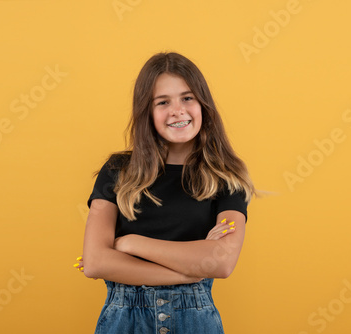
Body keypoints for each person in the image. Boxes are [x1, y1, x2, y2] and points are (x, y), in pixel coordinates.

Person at [74, 52, 257, 334]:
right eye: (163, 102)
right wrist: (190, 271)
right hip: (125, 320)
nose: (177, 110)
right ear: (147, 112)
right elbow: (96, 262)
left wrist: (129, 243)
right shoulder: (116, 171)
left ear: (203, 105)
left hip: (194, 322)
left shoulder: (226, 178)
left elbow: (220, 262)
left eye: (187, 98)